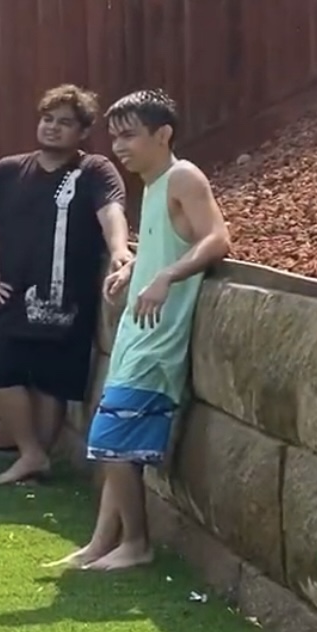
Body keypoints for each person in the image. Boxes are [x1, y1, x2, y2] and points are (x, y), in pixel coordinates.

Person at [54, 90, 231, 571]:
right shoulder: (153, 185)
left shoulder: (183, 176)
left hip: (157, 343)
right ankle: (101, 543)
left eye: (129, 135)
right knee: (111, 444)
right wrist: (133, 268)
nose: (119, 146)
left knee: (112, 442)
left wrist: (166, 277)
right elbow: (168, 244)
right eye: (114, 136)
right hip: (136, 334)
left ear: (163, 134)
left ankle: (136, 543)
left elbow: (217, 238)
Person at [0, 85, 132, 486]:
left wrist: (120, 249)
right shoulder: (7, 171)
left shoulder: (95, 170)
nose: (52, 128)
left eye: (65, 123)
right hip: (12, 293)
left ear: (83, 132)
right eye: (47, 119)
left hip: (69, 299)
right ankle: (32, 454)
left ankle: (38, 460)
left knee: (53, 381)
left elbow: (111, 211)